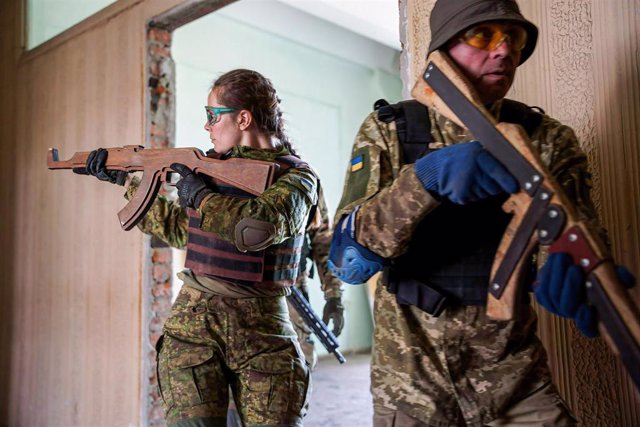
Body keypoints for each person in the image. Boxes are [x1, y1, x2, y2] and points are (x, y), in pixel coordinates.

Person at [328, 1, 633, 426]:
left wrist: (571, 272)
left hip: (515, 380)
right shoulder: (390, 130)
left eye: (515, 37)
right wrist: (424, 181)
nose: (504, 50)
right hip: (411, 388)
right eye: (483, 35)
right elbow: (348, 262)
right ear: (442, 47)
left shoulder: (547, 140)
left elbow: (571, 235)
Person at [77, 69, 316, 427]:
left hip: (263, 331)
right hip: (193, 329)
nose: (207, 127)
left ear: (243, 118)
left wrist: (203, 199)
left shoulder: (296, 177)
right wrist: (129, 181)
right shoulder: (210, 169)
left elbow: (259, 227)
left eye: (212, 116)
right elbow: (177, 230)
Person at [289, 187, 344, 371]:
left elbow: (323, 241)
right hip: (235, 290)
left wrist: (334, 295)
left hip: (291, 287)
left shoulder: (303, 177)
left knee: (298, 360)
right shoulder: (230, 167)